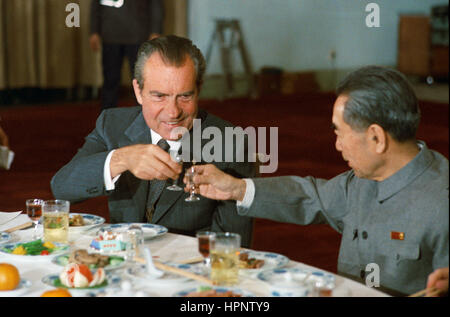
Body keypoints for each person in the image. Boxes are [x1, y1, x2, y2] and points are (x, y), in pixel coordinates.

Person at [187, 66, 449, 296]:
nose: (337, 145)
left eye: (340, 132)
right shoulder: (362, 181)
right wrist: (236, 188)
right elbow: (310, 196)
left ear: (376, 138)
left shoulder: (441, 202)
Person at [51, 35, 255, 247]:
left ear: (199, 90)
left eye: (185, 96)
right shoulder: (113, 124)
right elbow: (62, 188)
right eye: (160, 96)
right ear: (138, 91)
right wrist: (121, 159)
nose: (173, 112)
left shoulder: (230, 142)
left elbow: (232, 247)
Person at [90, 0, 164, 111]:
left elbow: (156, 4)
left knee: (141, 82)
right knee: (110, 81)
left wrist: (156, 30)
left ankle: (143, 119)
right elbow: (95, 5)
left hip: (138, 35)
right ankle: (108, 118)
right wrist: (94, 31)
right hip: (111, 35)